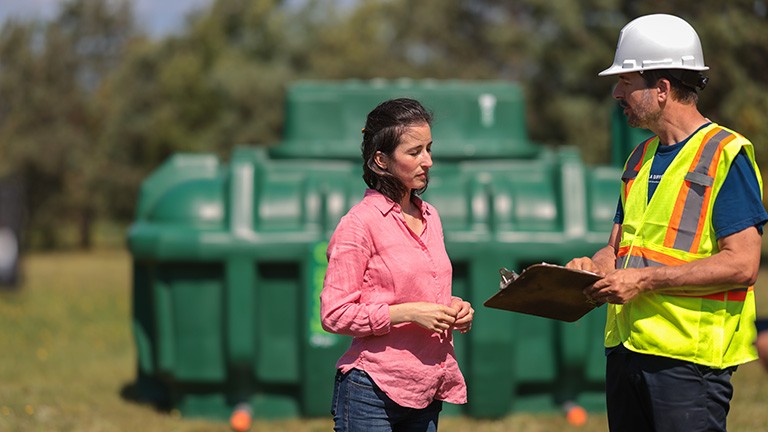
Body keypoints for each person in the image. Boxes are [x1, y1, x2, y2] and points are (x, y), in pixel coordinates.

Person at [566, 13, 768, 432]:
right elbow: (617, 246)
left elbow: (743, 265)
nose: (616, 91)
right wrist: (597, 266)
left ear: (661, 89)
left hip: (688, 366)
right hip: (625, 353)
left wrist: (642, 281)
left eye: (626, 81)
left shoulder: (725, 153)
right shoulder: (639, 158)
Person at [320, 97, 473, 432]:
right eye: (414, 152)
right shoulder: (359, 224)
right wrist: (407, 312)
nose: (428, 161)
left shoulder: (431, 217)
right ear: (381, 160)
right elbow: (334, 314)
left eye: (429, 149)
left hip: (426, 389)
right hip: (370, 391)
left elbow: (424, 293)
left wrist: (455, 308)